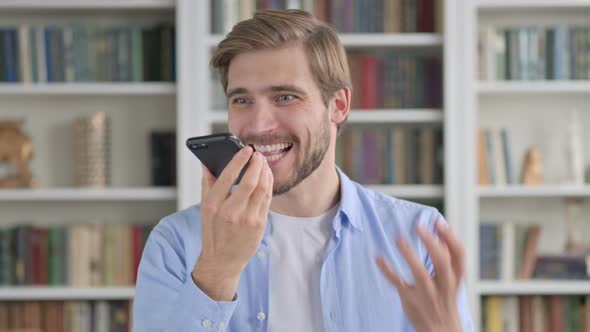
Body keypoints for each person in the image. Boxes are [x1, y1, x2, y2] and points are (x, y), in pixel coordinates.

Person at [133, 9, 473, 332]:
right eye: (241, 100)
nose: (259, 125)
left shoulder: (419, 237)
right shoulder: (177, 242)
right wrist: (217, 271)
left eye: (284, 97)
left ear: (337, 106)